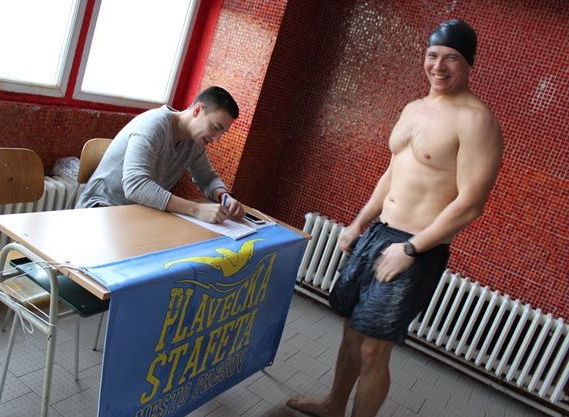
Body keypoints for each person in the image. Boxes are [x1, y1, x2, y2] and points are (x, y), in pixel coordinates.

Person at [286, 19, 503, 417]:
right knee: (352, 330)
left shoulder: (476, 121)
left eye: (451, 58)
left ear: (469, 63)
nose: (438, 66)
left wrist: (411, 249)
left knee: (374, 348)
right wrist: (358, 224)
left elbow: (471, 203)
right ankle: (334, 405)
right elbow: (393, 173)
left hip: (416, 247)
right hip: (379, 234)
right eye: (432, 55)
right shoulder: (413, 109)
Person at [76, 86, 245, 224]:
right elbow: (136, 186)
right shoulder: (154, 124)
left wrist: (224, 196)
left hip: (139, 213)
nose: (216, 138)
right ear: (197, 110)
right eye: (215, 127)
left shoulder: (195, 141)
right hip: (100, 211)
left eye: (222, 132)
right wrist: (195, 209)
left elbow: (207, 179)